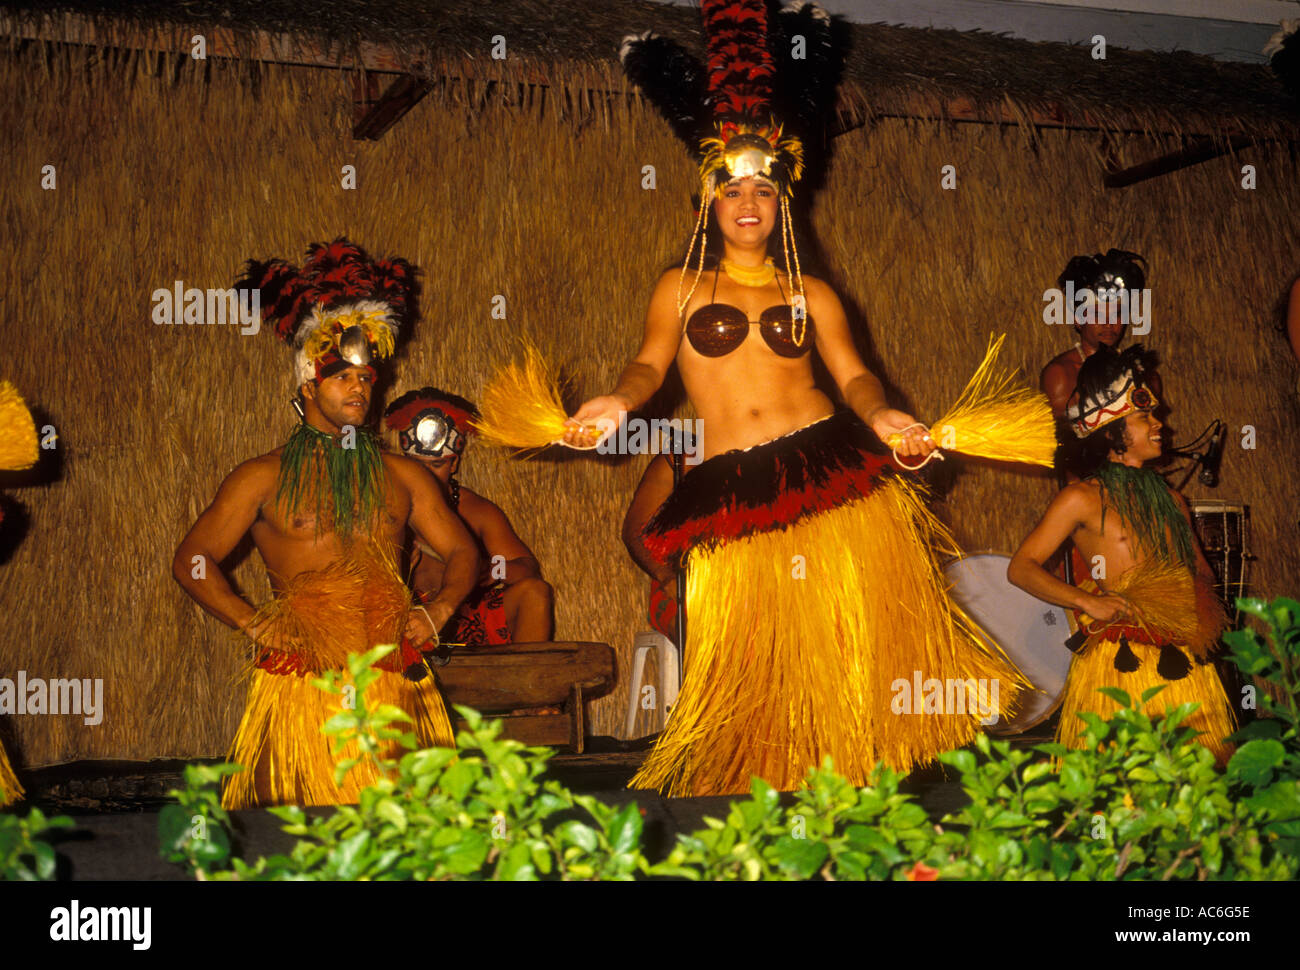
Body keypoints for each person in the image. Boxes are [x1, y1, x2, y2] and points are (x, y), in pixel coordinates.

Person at [567, 0, 1022, 797]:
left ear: (784, 200)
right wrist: (614, 402)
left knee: (851, 648)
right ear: (707, 197)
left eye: (765, 187)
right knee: (759, 659)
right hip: (735, 489)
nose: (749, 199)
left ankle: (863, 787)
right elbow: (647, 367)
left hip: (830, 472)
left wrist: (883, 416)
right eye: (731, 185)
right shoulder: (679, 286)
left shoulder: (812, 290)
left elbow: (852, 375)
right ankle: (768, 795)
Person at [172, 240, 479, 809]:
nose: (360, 388)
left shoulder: (404, 476)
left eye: (367, 378)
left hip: (393, 684)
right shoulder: (259, 478)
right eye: (343, 377)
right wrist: (255, 624)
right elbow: (192, 562)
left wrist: (437, 611)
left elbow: (464, 553)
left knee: (410, 843)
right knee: (303, 842)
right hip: (305, 685)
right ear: (309, 384)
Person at [1008, 345, 1234, 762]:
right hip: (1120, 664)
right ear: (1113, 432)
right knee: (1121, 790)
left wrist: (1199, 608)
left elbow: (1201, 572)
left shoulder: (1172, 499)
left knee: (1192, 792)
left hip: (1181, 659)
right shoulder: (1080, 498)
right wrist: (1087, 601)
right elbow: (1021, 568)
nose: (1159, 425)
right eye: (1145, 417)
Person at [383, 387, 553, 645]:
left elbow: (528, 569)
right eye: (416, 466)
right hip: (410, 621)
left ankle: (528, 683)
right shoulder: (390, 505)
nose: (425, 476)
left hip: (470, 615)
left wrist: (491, 569)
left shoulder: (476, 511)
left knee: (536, 593)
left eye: (436, 465)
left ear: (454, 464)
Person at [1041, 249, 1160, 418]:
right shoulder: (1061, 375)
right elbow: (1061, 440)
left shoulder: (1144, 375)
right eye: (1097, 314)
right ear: (1078, 320)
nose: (1108, 323)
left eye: (1116, 314)